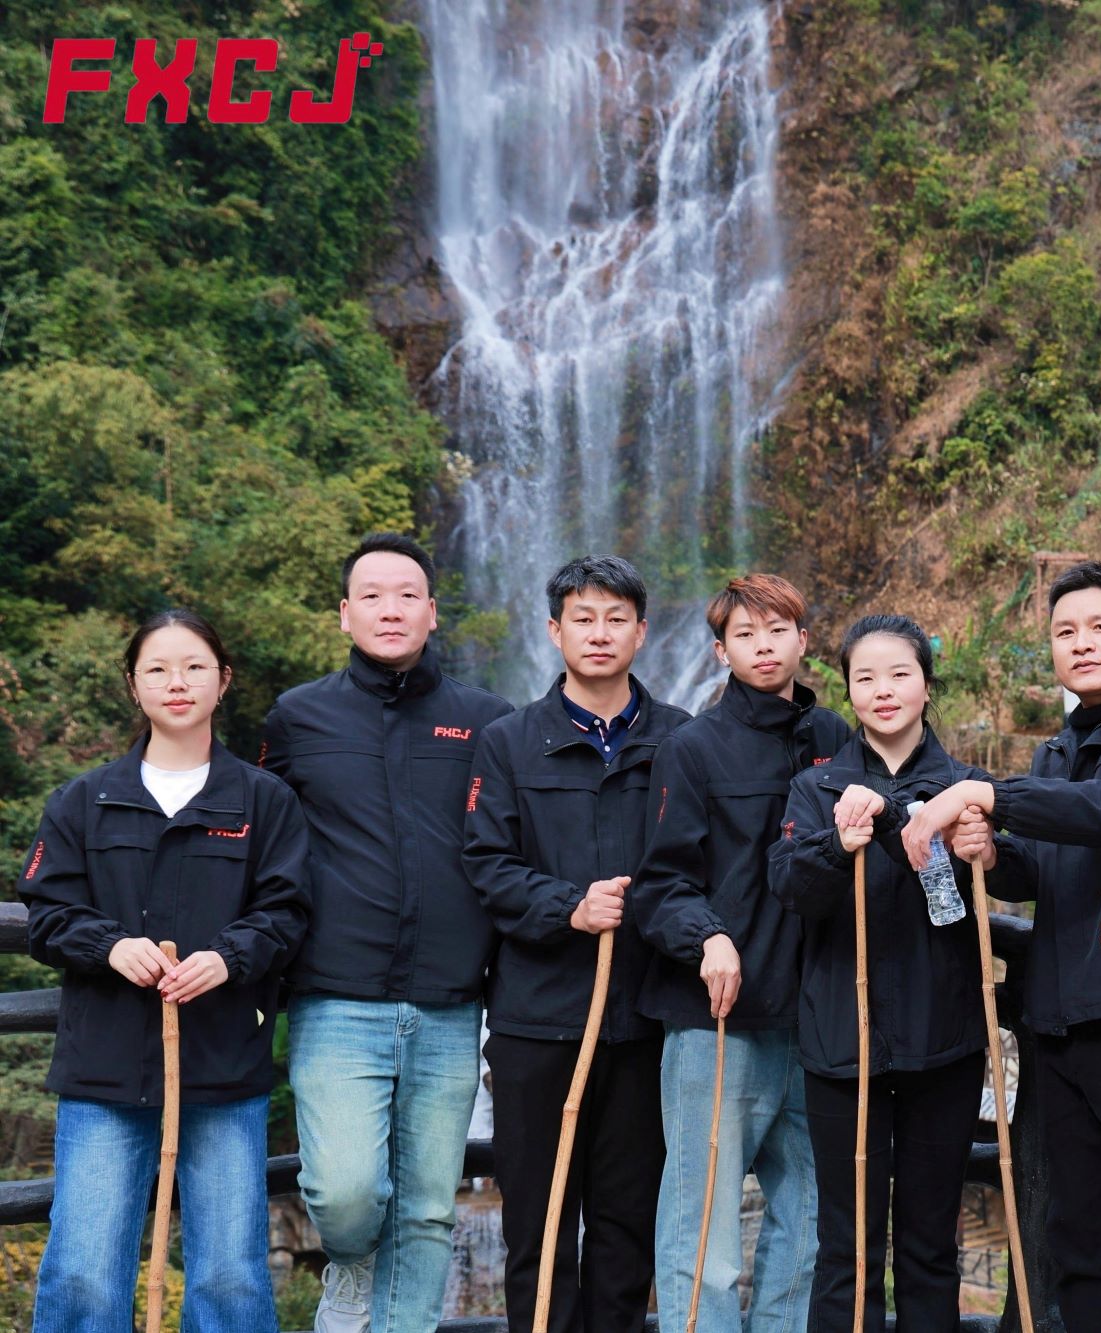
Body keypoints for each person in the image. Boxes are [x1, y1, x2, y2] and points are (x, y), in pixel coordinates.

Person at [909, 559, 1101, 1332]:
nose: (1080, 643)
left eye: (1099, 626)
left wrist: (987, 793)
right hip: (1057, 1025)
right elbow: (1040, 870)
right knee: (1075, 1245)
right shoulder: (1058, 749)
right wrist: (991, 852)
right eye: (1064, 631)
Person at [20, 609, 310, 1333]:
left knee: (229, 1275)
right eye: (157, 668)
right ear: (133, 684)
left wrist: (227, 958)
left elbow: (288, 912)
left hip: (222, 1065)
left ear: (224, 680)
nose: (176, 682)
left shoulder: (263, 800)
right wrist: (110, 946)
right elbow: (47, 913)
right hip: (104, 1067)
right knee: (84, 1270)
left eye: (194, 666)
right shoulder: (83, 800)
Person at [261, 532, 513, 1333]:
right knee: (344, 1193)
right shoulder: (298, 717)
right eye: (372, 595)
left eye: (408, 594)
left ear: (433, 612)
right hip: (336, 995)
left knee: (429, 1209)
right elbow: (261, 842)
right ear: (345, 613)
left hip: (449, 1002)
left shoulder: (486, 720)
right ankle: (348, 1271)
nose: (391, 609)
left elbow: (510, 846)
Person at [462, 556, 692, 1333]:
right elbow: (487, 863)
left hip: (647, 1021)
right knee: (539, 1225)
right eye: (583, 618)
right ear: (554, 630)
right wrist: (569, 907)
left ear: (642, 632)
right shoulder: (508, 742)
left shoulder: (681, 739)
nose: (600, 633)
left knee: (628, 1231)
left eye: (616, 618)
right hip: (537, 1024)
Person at [631, 573, 850, 1333]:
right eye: (746, 635)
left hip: (818, 1020)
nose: (764, 647)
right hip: (717, 1021)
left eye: (778, 630)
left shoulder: (835, 740)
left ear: (803, 639)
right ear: (721, 651)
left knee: (811, 1226)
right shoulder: (691, 748)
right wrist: (708, 935)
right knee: (705, 1231)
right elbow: (660, 884)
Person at [769, 614, 988, 1333]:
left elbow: (996, 885)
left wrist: (965, 839)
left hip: (944, 1044)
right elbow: (790, 889)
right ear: (848, 691)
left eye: (899, 673)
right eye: (865, 677)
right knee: (847, 1245)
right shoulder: (817, 788)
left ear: (927, 683)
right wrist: (838, 844)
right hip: (843, 1044)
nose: (883, 690)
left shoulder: (966, 787)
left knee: (929, 1244)